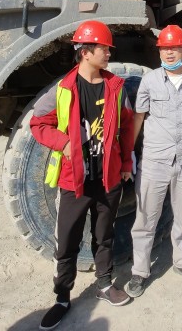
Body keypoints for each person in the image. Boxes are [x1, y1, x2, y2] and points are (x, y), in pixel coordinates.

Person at [29, 20, 135, 330]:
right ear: (85, 52)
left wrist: (126, 163)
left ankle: (104, 285)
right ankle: (62, 298)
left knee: (104, 236)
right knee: (67, 242)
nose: (109, 54)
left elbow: (127, 127)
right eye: (104, 49)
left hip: (108, 179)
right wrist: (64, 143)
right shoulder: (63, 89)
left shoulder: (116, 87)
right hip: (74, 181)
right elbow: (38, 123)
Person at [126, 24, 182, 298]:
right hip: (155, 161)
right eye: (164, 48)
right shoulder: (150, 81)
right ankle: (140, 271)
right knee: (145, 218)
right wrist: (129, 151)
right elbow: (139, 117)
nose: (169, 53)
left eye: (174, 48)